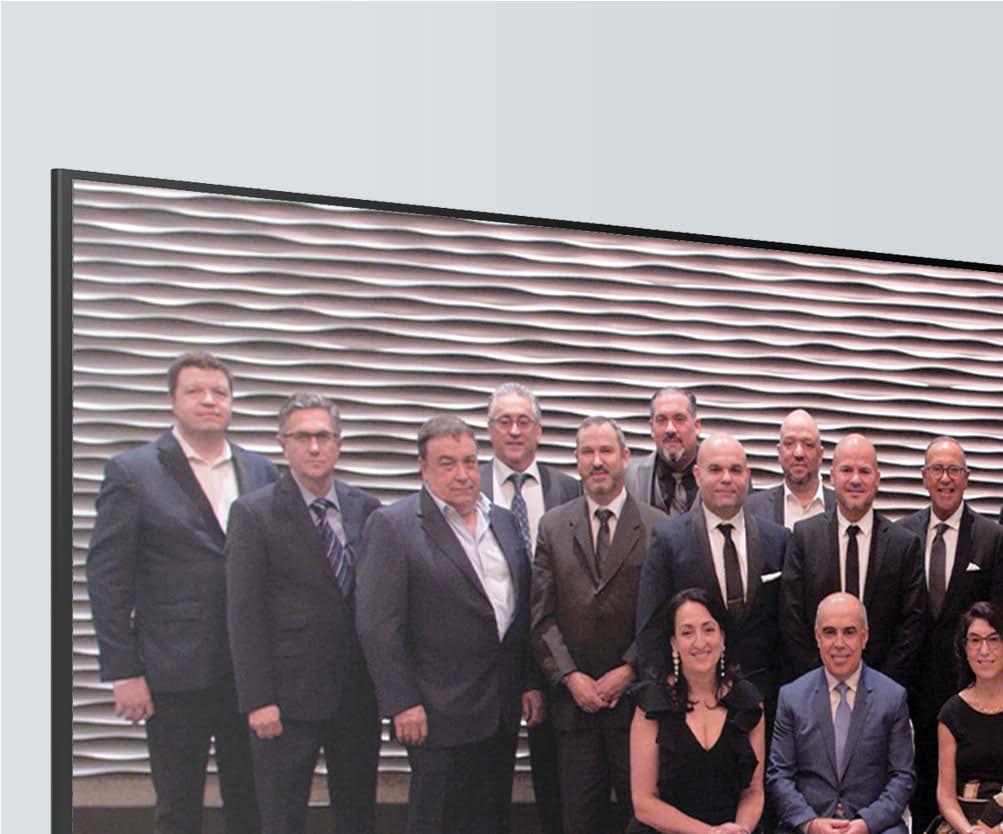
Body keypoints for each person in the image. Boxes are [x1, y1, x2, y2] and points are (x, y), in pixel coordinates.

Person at [86, 351, 278, 834]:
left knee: (252, 804)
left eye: (219, 392)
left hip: (248, 673)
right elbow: (107, 578)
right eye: (195, 391)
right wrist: (123, 671)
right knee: (177, 807)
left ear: (231, 402)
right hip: (171, 671)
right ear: (173, 400)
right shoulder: (133, 472)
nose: (209, 401)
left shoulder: (261, 471)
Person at [356, 415, 544, 834]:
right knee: (439, 820)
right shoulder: (394, 526)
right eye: (447, 463)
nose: (462, 474)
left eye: (469, 461)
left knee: (490, 819)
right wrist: (401, 701)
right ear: (423, 467)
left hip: (499, 708)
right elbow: (378, 625)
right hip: (436, 711)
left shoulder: (502, 520)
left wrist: (529, 680)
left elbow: (520, 612)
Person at [225, 393, 382, 834]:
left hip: (356, 695)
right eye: (302, 437)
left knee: (357, 813)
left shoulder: (367, 508)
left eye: (323, 436)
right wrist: (258, 699)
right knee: (282, 815)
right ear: (283, 443)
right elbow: (243, 613)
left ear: (339, 443)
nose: (314, 447)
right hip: (286, 700)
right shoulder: (253, 513)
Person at [531, 417, 668, 834]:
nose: (597, 461)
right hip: (575, 709)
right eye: (587, 452)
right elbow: (541, 616)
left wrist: (629, 669)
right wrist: (570, 678)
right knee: (577, 821)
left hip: (637, 705)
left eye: (606, 451)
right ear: (576, 460)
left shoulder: (658, 526)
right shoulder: (553, 526)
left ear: (625, 457)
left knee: (641, 820)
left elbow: (664, 612)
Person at [480, 382, 580, 834]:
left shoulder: (569, 489)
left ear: (538, 431)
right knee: (486, 787)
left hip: (555, 659)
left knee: (555, 782)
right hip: (488, 664)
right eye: (505, 421)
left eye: (524, 421)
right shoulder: (470, 485)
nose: (515, 431)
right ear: (490, 430)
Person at [635, 433, 789, 719]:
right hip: (690, 703)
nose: (726, 479)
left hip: (763, 699)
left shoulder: (778, 539)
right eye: (716, 469)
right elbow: (650, 627)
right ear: (697, 475)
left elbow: (785, 627)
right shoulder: (669, 540)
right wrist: (662, 695)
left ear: (747, 476)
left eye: (735, 470)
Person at [897, 437, 1003, 832]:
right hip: (915, 690)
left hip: (973, 688)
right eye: (937, 470)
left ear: (967, 477)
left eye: (954, 470)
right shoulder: (903, 535)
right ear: (924, 477)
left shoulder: (991, 537)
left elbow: (995, 618)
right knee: (922, 788)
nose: (946, 478)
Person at [780, 433, 926, 686]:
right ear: (832, 476)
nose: (855, 479)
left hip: (883, 692)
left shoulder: (903, 545)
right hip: (815, 689)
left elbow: (912, 626)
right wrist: (822, 682)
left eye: (864, 471)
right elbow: (791, 618)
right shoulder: (804, 537)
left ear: (877, 479)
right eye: (847, 470)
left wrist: (879, 688)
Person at [767, 593, 915, 834]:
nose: (839, 643)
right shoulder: (791, 697)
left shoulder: (892, 697)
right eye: (829, 632)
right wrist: (810, 824)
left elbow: (903, 778)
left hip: (874, 827)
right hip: (809, 825)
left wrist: (866, 824)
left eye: (849, 632)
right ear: (817, 638)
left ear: (864, 637)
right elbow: (779, 776)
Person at [629, 587, 766, 832]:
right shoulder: (652, 704)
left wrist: (741, 829)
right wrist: (709, 833)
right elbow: (644, 803)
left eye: (708, 629)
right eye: (687, 632)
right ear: (674, 643)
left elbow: (753, 793)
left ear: (722, 636)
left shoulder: (749, 701)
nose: (700, 642)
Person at [935, 601, 1003, 834]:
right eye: (975, 640)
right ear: (964, 649)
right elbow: (945, 795)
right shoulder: (951, 713)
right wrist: (970, 831)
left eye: (993, 639)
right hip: (966, 824)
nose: (984, 650)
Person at [744, 409, 835, 530]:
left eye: (808, 444)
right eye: (789, 443)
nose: (798, 453)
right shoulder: (752, 508)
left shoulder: (841, 506)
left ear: (820, 454)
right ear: (779, 452)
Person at [624, 387, 702, 517]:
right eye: (661, 420)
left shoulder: (725, 475)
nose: (670, 429)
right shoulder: (628, 477)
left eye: (679, 419)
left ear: (697, 426)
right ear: (651, 428)